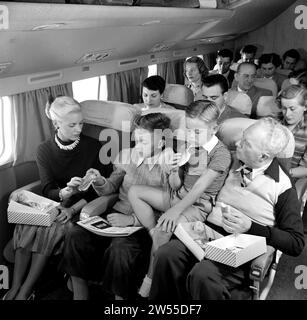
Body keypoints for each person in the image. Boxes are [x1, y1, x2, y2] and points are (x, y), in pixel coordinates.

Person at [150, 117, 305, 300]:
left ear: (262, 156)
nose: (237, 143)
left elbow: (296, 243)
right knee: (166, 254)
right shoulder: (229, 160)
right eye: (242, 137)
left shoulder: (283, 187)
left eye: (246, 143)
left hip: (242, 249)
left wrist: (250, 227)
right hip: (207, 235)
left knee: (204, 274)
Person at [60, 112, 174, 300]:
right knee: (74, 233)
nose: (137, 146)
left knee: (121, 249)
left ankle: (119, 299)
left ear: (161, 142)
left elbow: (168, 207)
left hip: (143, 225)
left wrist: (131, 220)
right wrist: (98, 180)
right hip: (115, 214)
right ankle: (80, 294)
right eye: (136, 140)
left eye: (143, 142)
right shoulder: (126, 156)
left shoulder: (168, 166)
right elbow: (111, 188)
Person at [3, 96, 107, 300]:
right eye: (72, 125)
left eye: (81, 123)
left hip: (80, 208)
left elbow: (98, 191)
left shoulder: (95, 147)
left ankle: (25, 291)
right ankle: (15, 287)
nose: (78, 129)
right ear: (56, 123)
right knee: (26, 224)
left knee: (49, 231)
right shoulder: (44, 149)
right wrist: (64, 192)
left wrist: (71, 208)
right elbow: (48, 188)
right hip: (54, 202)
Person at [129, 100, 232, 298]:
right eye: (189, 130)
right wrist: (173, 171)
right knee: (135, 191)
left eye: (197, 132)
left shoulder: (221, 154)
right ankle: (152, 233)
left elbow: (199, 188)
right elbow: (177, 186)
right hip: (177, 195)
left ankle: (149, 281)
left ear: (214, 128)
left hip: (197, 205)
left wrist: (174, 210)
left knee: (164, 228)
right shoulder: (188, 146)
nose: (191, 136)